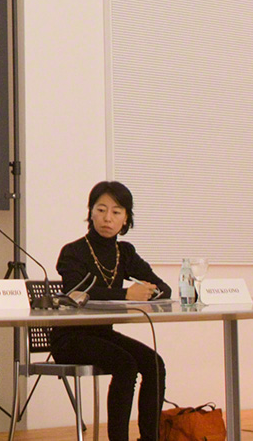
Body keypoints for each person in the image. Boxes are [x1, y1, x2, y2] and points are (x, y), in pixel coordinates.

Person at [51, 181, 169, 441]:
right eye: (101, 209)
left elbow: (163, 288)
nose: (107, 218)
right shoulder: (73, 252)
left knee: (154, 363)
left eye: (116, 212)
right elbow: (75, 294)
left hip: (103, 335)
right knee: (126, 364)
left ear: (126, 218)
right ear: (90, 212)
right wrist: (127, 294)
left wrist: (152, 291)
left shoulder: (124, 252)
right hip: (70, 337)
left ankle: (150, 438)